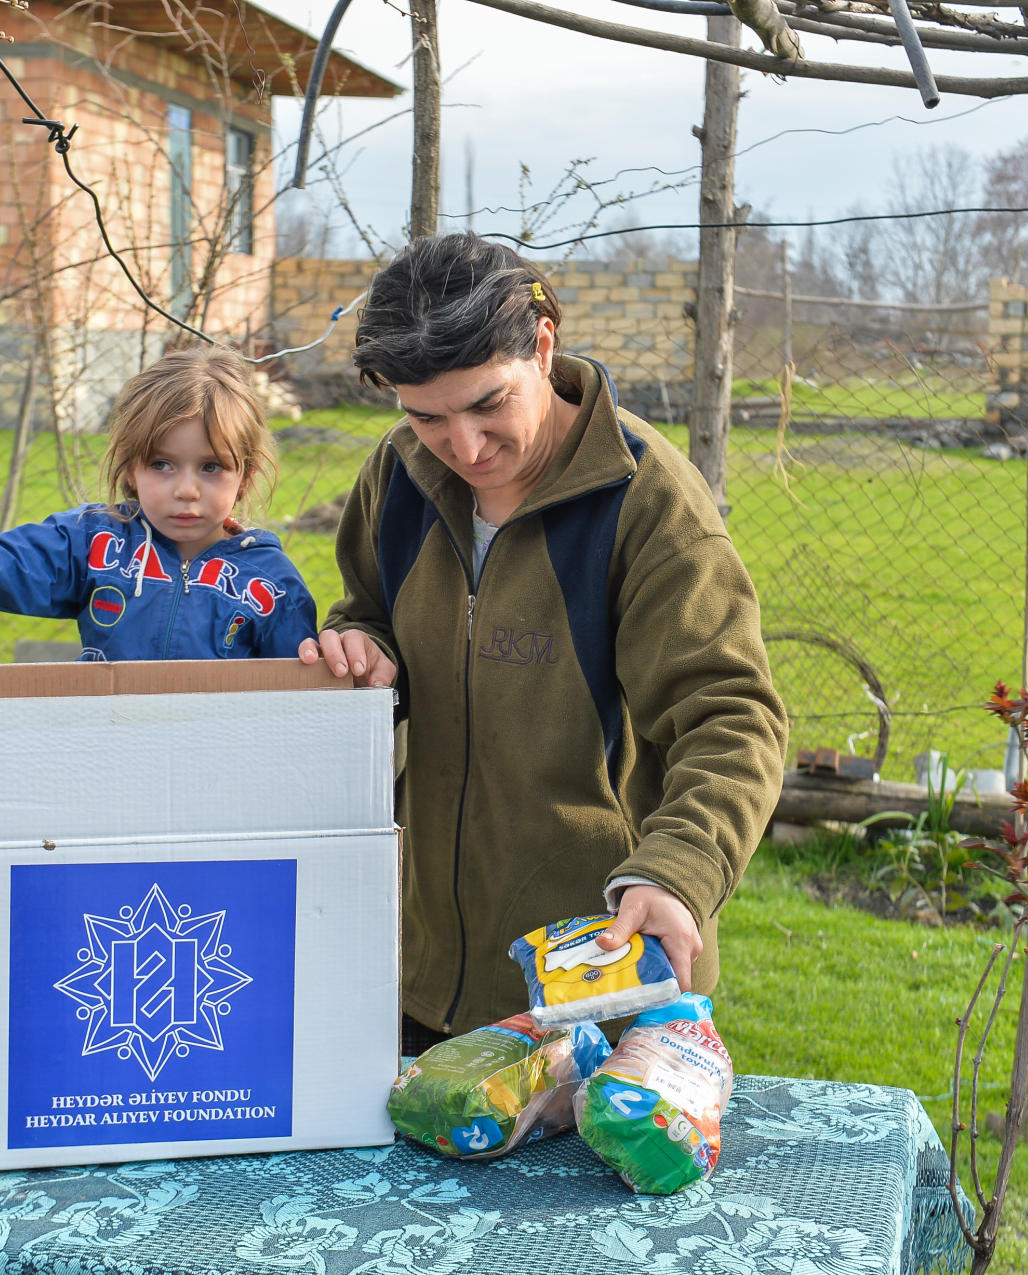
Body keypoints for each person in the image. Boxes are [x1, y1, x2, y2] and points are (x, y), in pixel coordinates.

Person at [299, 233, 787, 1046]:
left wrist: (680, 870)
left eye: (490, 403)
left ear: (544, 346)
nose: (464, 447)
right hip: (418, 974)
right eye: (427, 416)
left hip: (601, 982)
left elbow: (732, 715)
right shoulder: (398, 473)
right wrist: (359, 647)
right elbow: (370, 611)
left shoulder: (648, 502)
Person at [0, 345, 318, 660]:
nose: (186, 490)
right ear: (131, 469)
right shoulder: (94, 542)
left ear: (244, 477)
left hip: (216, 755)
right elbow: (9, 568)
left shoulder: (272, 584)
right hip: (105, 748)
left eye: (211, 467)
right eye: (161, 464)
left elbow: (298, 698)